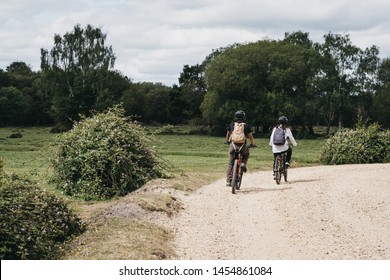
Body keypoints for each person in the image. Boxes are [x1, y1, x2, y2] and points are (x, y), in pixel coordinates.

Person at [225, 110, 256, 186]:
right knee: (246, 154)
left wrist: (227, 141)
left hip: (233, 145)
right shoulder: (246, 126)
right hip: (242, 146)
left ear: (236, 117)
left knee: (230, 162)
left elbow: (228, 134)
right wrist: (252, 144)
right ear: (243, 117)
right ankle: (243, 163)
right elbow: (250, 136)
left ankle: (229, 180)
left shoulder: (232, 125)